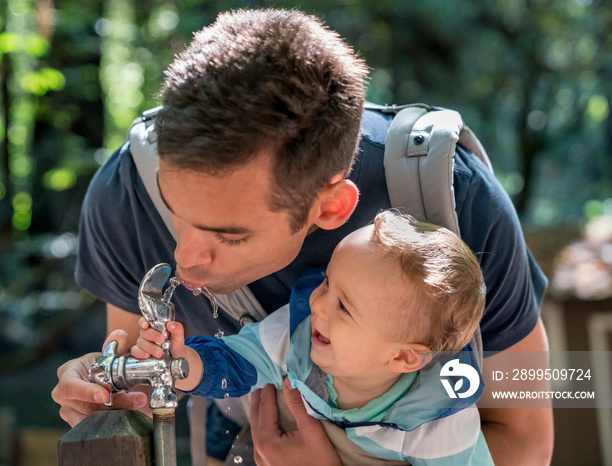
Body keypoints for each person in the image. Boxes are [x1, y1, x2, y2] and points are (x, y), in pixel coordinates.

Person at [52, 8, 553, 465]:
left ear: (332, 208)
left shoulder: (454, 198)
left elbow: (526, 439)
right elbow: (139, 375)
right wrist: (104, 385)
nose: (183, 262)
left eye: (229, 236)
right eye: (176, 213)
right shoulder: (126, 197)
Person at [133, 210, 494, 465]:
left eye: (345, 308)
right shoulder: (301, 333)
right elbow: (234, 362)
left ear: (403, 358)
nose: (317, 304)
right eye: (326, 281)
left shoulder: (439, 422)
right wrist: (182, 363)